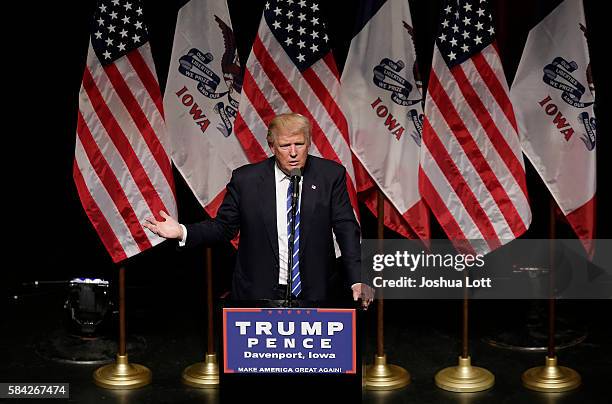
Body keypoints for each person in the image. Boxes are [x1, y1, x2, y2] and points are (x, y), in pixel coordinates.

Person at [144, 113, 372, 307]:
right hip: (258, 293)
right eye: (285, 146)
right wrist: (183, 231)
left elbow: (346, 229)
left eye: (299, 144)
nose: (293, 153)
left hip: (316, 292)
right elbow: (223, 228)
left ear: (309, 143)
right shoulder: (246, 180)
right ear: (272, 146)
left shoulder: (330, 175)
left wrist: (357, 279)